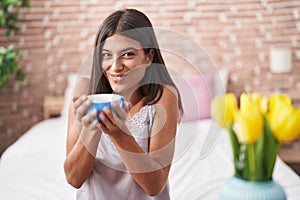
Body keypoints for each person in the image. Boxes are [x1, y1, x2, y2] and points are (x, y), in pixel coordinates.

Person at [64, 8, 182, 200]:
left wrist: (119, 133)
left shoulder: (164, 96)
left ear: (149, 56)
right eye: (107, 55)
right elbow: (73, 178)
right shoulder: (86, 93)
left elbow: (156, 185)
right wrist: (92, 129)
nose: (116, 66)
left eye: (128, 54)